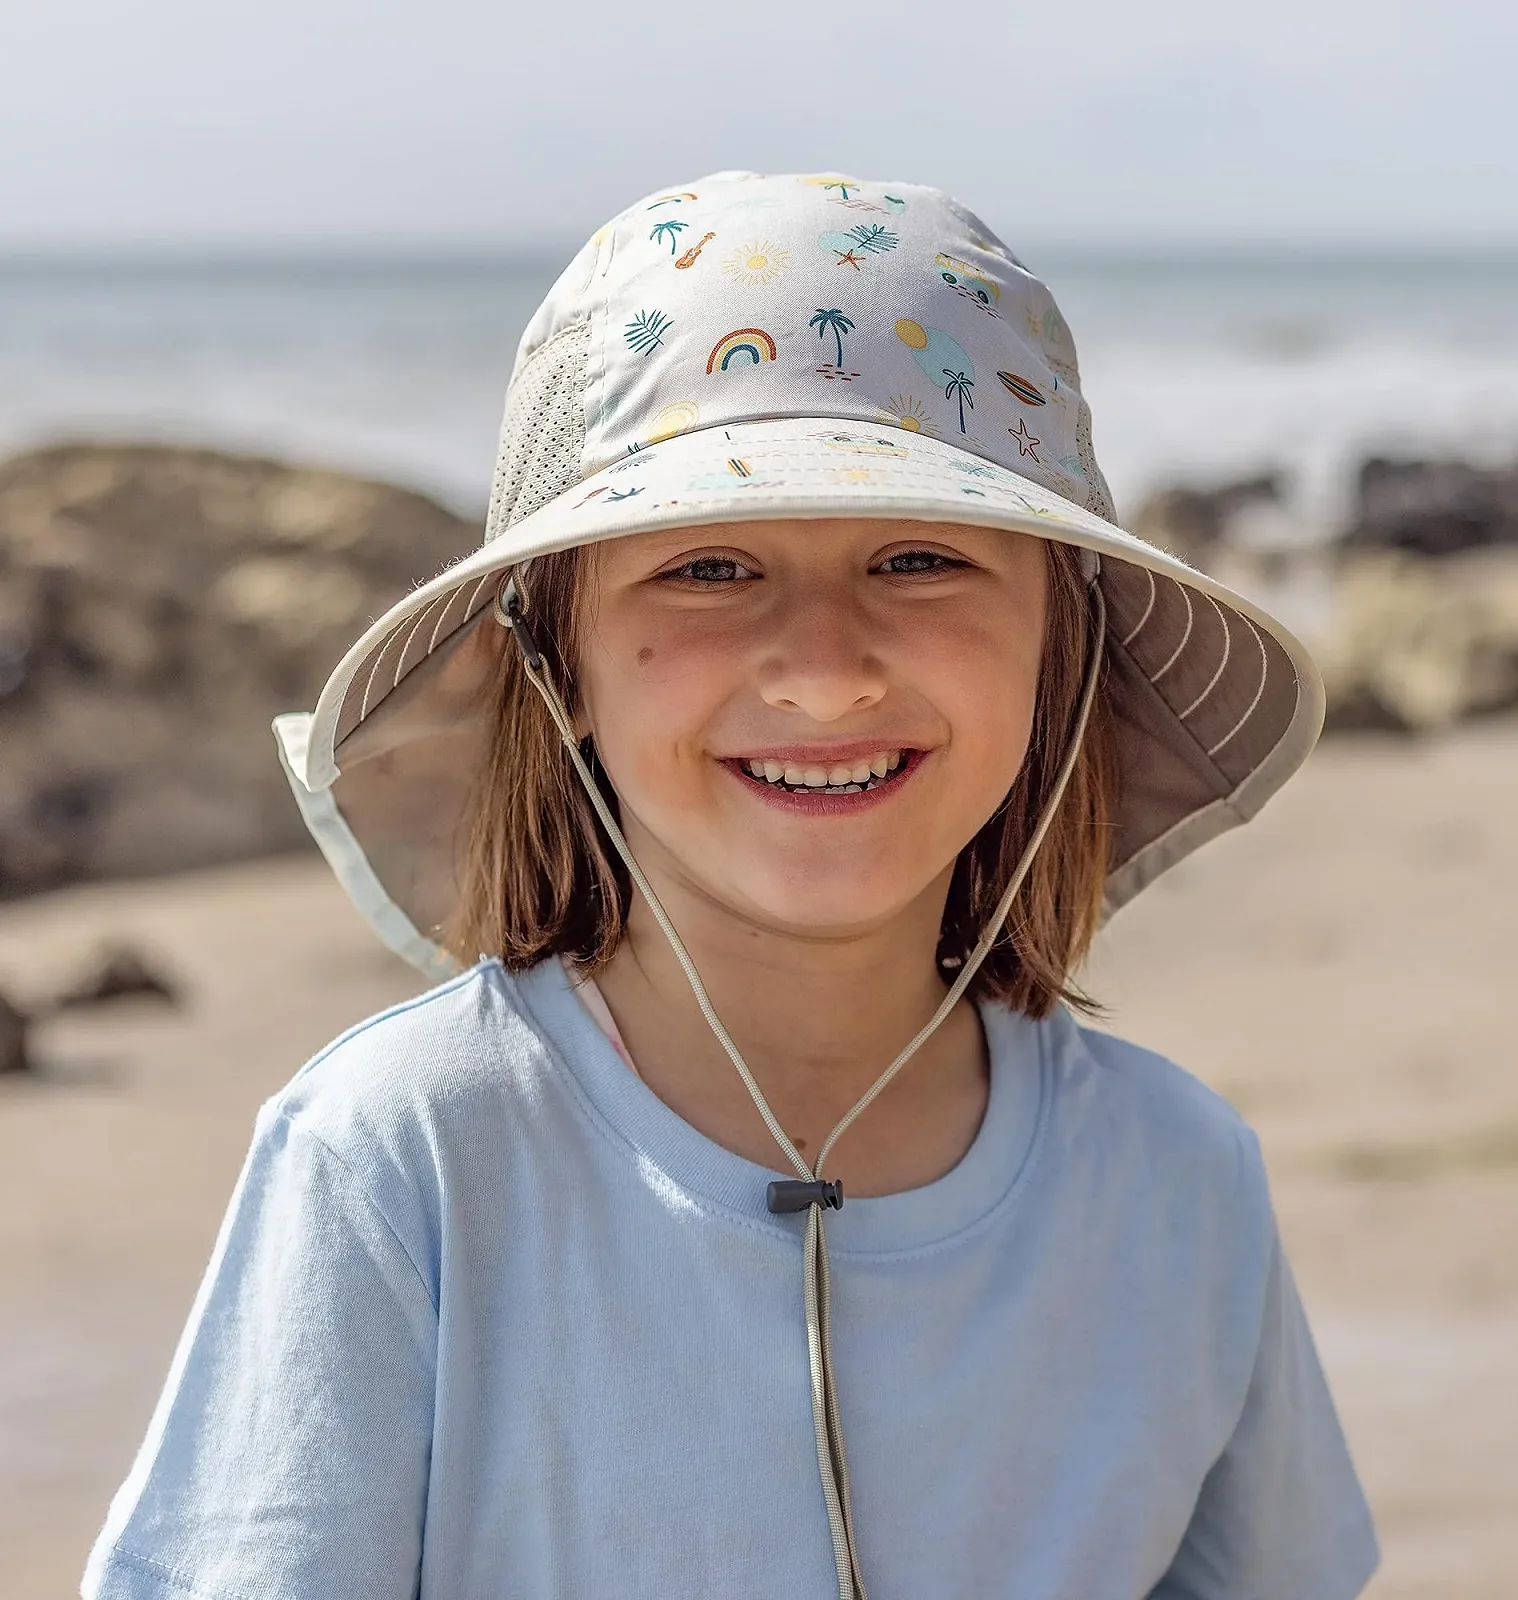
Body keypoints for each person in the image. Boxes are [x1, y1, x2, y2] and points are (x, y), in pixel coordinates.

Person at [83, 171, 1379, 1600]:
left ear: (1059, 647)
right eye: (708, 567)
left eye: (920, 557)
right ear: (553, 659)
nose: (824, 668)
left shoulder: (1177, 1178)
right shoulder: (407, 1159)